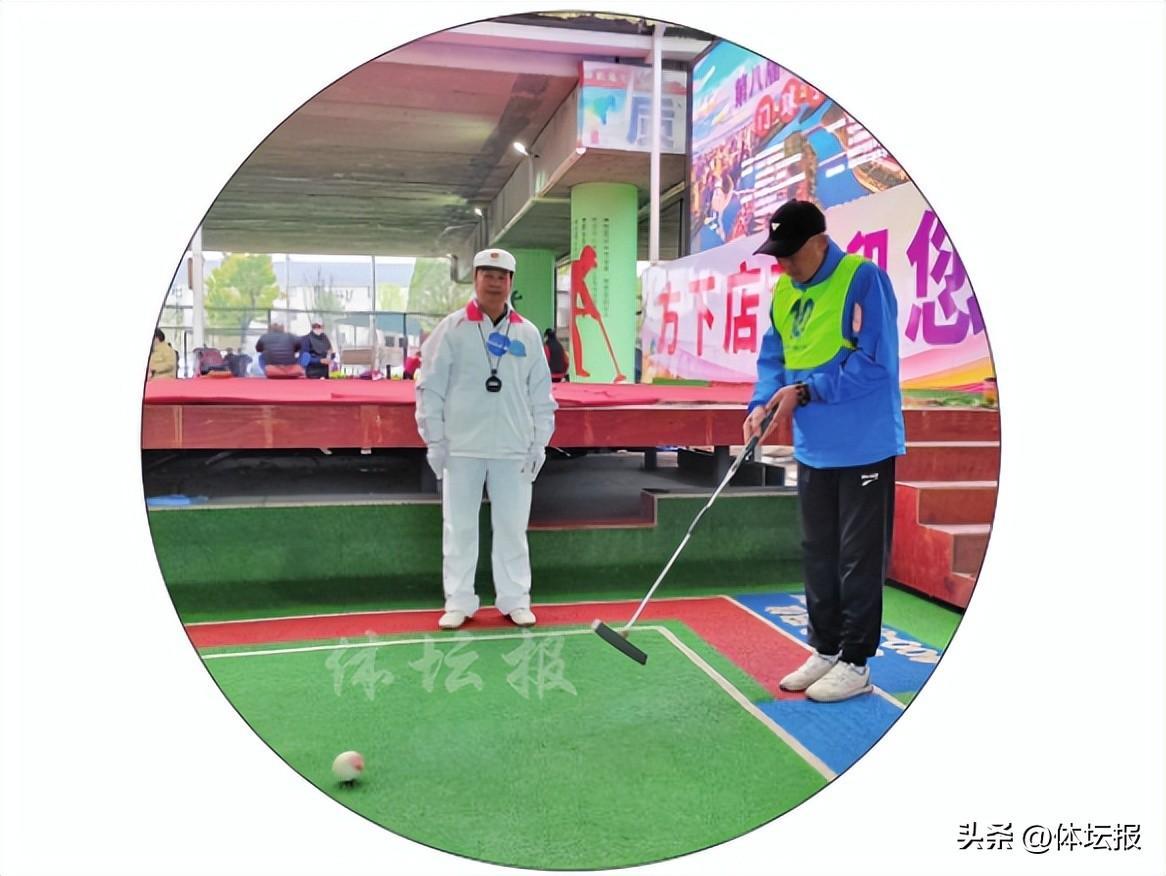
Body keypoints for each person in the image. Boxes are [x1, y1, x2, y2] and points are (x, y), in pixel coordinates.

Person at [743, 200, 905, 703]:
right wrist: (761, 403)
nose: (784, 263)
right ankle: (827, 648)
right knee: (819, 553)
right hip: (814, 447)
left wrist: (807, 391)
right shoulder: (784, 291)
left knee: (858, 557)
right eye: (778, 254)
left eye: (791, 253)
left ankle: (856, 662)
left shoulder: (863, 279)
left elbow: (876, 363)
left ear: (820, 242)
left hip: (864, 445)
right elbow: (774, 358)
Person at [415, 247, 557, 631]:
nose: (494, 283)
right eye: (487, 275)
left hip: (513, 446)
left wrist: (539, 442)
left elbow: (541, 393)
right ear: (475, 279)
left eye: (501, 276)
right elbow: (430, 387)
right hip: (461, 446)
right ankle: (459, 600)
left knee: (512, 528)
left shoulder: (526, 333)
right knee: (459, 528)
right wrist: (434, 439)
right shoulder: (452, 329)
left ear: (511, 282)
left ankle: (515, 599)